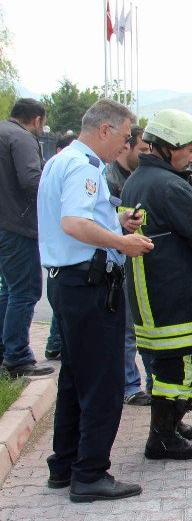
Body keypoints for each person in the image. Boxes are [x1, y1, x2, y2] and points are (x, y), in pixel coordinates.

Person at [37, 98, 153, 502]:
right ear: (104, 130)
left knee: (74, 378)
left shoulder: (60, 160)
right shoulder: (85, 166)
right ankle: (90, 474)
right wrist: (121, 241)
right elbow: (73, 223)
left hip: (67, 282)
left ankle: (65, 465)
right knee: (102, 383)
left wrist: (115, 221)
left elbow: (76, 217)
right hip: (88, 285)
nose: (125, 146)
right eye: (124, 137)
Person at [120, 109, 192, 461]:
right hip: (172, 296)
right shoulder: (169, 185)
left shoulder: (138, 179)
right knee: (179, 367)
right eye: (188, 147)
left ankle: (170, 423)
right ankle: (163, 438)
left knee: (167, 365)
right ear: (167, 146)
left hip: (152, 294)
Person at [0, 98, 53, 377]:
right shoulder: (22, 138)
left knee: (8, 290)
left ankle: (6, 352)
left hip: (4, 225)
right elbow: (32, 180)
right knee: (25, 291)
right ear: (36, 120)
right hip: (17, 227)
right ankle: (18, 357)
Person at [106, 124, 154, 407]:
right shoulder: (109, 177)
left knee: (142, 328)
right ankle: (129, 386)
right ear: (129, 147)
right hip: (119, 261)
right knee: (127, 331)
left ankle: (150, 383)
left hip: (139, 259)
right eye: (143, 150)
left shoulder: (142, 177)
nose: (147, 155)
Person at [42, 132, 77, 362]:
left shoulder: (51, 166)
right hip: (72, 267)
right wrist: (120, 240)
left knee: (70, 362)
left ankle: (55, 343)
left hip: (57, 263)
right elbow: (74, 223)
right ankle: (55, 343)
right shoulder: (78, 166)